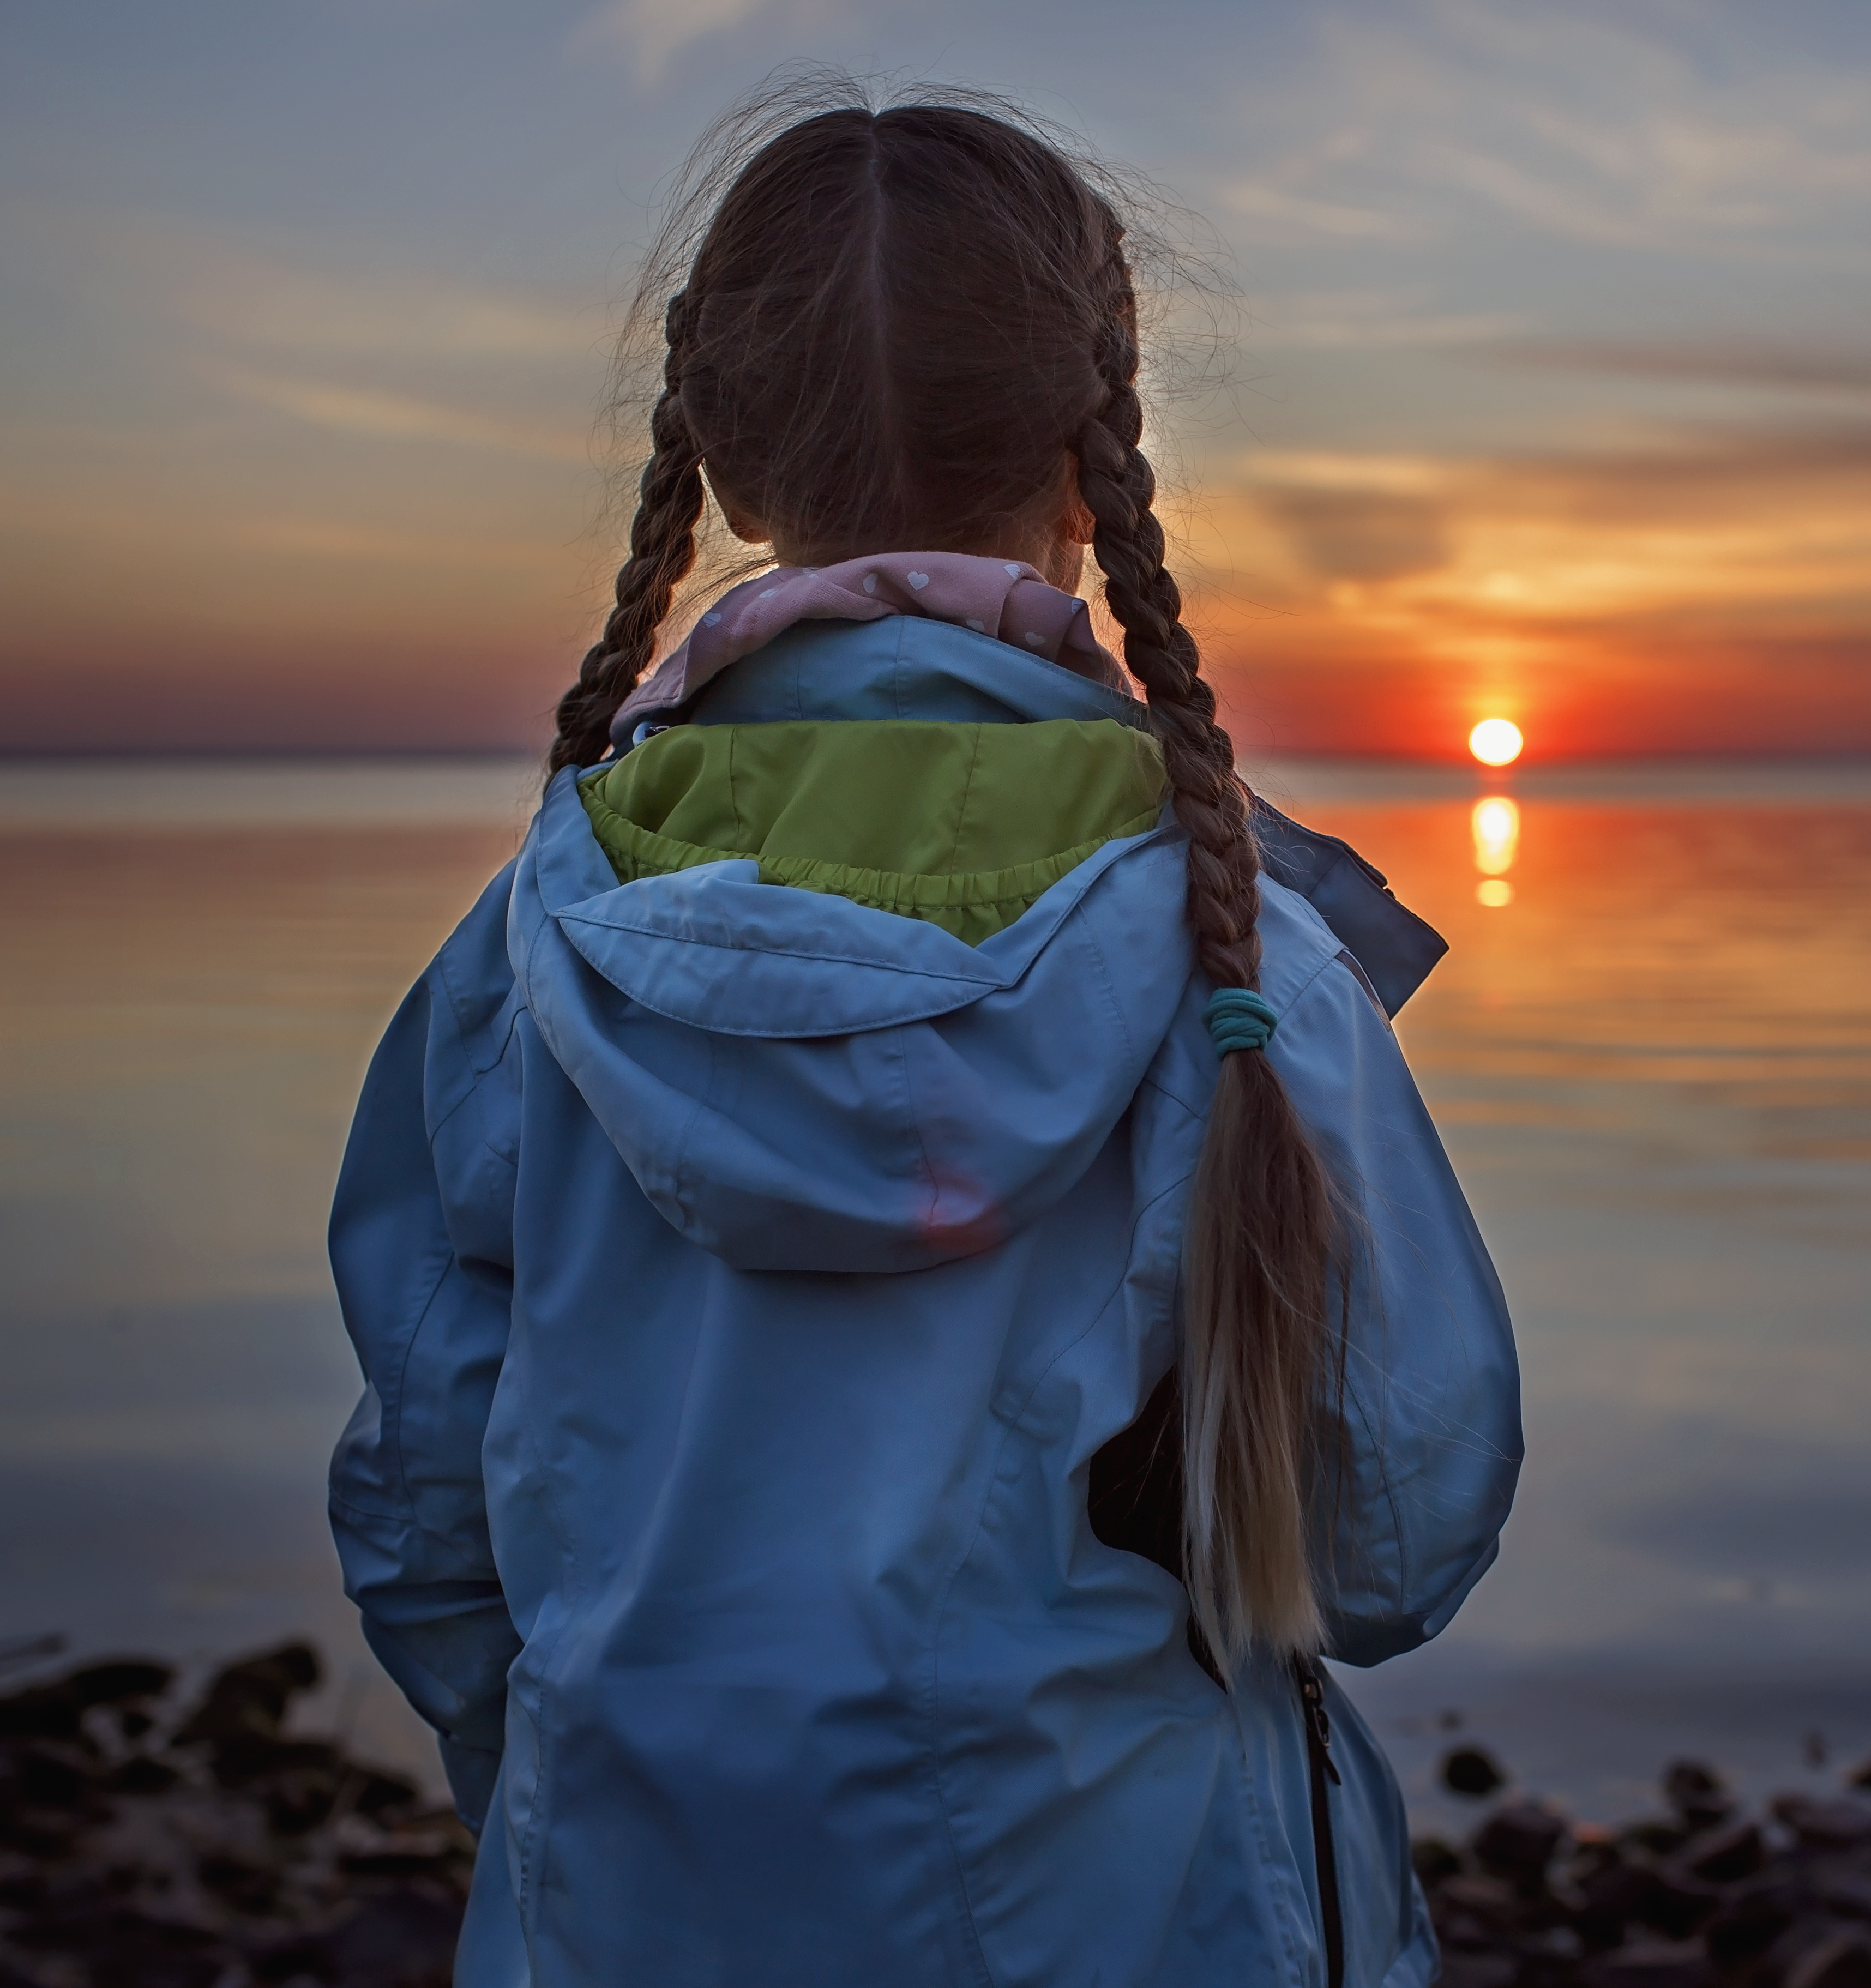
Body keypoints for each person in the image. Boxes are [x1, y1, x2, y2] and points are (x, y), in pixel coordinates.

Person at [327, 79, 1520, 1988]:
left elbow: (424, 1510)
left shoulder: (530, 956)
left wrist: (557, 1779)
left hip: (629, 1912)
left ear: (715, 459)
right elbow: (1389, 1542)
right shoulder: (1232, 965)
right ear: (1093, 447)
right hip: (1147, 1922)